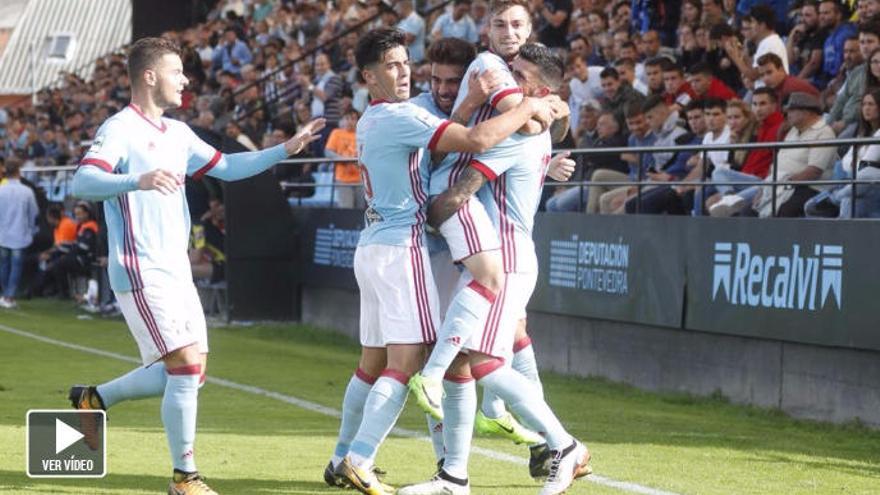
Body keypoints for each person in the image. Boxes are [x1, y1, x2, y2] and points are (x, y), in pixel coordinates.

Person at [67, 37, 325, 495]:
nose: (186, 80)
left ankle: (95, 398)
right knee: (184, 367)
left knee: (192, 371)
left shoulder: (180, 134)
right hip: (140, 268)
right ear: (149, 76)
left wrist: (285, 149)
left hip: (176, 271)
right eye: (177, 72)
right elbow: (83, 181)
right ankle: (185, 478)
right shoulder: (121, 128)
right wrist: (137, 179)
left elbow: (227, 166)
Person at [328, 27, 556, 495]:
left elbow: (450, 138)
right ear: (369, 76)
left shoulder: (376, 118)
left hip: (373, 244)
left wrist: (484, 106)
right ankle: (361, 459)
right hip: (402, 245)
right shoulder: (398, 115)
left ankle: (341, 459)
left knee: (373, 362)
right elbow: (473, 141)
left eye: (404, 62)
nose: (403, 71)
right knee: (412, 360)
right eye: (392, 65)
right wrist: (531, 106)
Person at [401, 42, 590, 495]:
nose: (508, 79)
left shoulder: (516, 132)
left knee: (482, 364)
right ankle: (454, 476)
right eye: (509, 69)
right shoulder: (527, 126)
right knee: (472, 364)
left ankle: (563, 444)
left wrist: (419, 212)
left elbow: (458, 192)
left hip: (504, 258)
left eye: (519, 75)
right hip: (501, 254)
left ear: (540, 91)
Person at [711, 92, 837, 217]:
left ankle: (734, 201)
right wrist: (766, 187)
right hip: (778, 184)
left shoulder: (823, 133)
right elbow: (777, 164)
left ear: (808, 112)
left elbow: (814, 171)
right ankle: (731, 200)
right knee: (748, 211)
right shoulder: (793, 131)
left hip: (808, 187)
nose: (788, 115)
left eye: (791, 111)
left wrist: (781, 184)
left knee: (781, 210)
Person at [0, 157, 39, 309]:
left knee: (4, 265)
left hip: (3, 233)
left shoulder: (1, 190)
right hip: (19, 233)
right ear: (18, 171)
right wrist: (31, 229)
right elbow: (33, 213)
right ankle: (9, 296)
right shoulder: (26, 191)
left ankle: (5, 294)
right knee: (15, 266)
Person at [324, 109, 362, 208]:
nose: (349, 121)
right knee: (346, 210)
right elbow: (328, 152)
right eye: (347, 118)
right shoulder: (336, 133)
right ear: (342, 120)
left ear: (358, 121)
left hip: (361, 179)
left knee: (361, 211)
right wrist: (342, 159)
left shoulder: (363, 134)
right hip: (343, 179)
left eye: (353, 119)